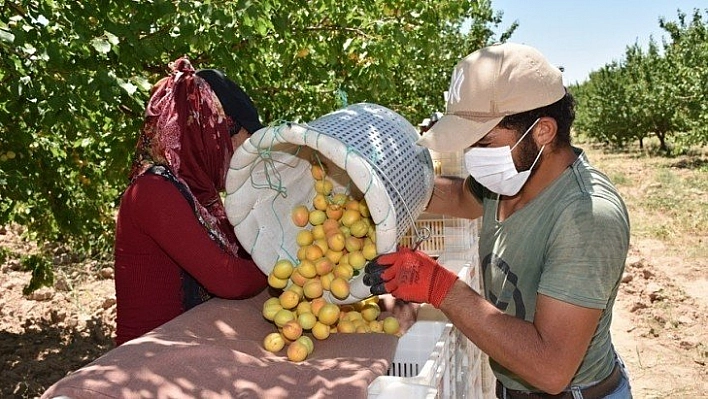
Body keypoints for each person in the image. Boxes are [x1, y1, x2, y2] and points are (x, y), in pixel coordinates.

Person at [365, 43, 633, 398]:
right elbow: (462, 197)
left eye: (484, 142)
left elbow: (550, 368)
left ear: (543, 132)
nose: (472, 156)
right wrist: (381, 192)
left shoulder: (587, 217)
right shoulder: (512, 177)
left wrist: (438, 287)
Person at [114, 58, 268, 346]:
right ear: (211, 134)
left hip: (188, 346)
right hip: (147, 362)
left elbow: (246, 253)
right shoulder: (154, 191)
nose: (245, 156)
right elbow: (230, 279)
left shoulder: (201, 195)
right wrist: (289, 261)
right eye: (241, 143)